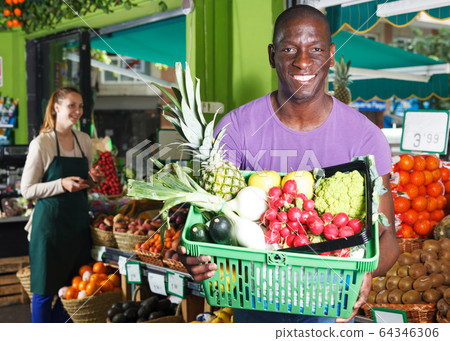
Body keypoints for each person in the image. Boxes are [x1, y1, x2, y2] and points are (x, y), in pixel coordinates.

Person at [178, 4, 399, 323]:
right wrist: (195, 255)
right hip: (253, 307)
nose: (303, 61)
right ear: (272, 55)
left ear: (332, 54)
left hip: (330, 311)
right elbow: (204, 222)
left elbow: (388, 239)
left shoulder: (365, 137)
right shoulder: (236, 128)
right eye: (289, 48)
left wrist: (366, 271)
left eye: (316, 48)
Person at [21, 87, 102, 323]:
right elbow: (26, 190)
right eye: (72, 105)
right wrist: (60, 184)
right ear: (57, 108)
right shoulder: (41, 144)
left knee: (75, 290)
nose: (77, 111)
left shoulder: (84, 140)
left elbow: (85, 183)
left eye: (80, 106)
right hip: (48, 228)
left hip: (77, 226)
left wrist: (93, 181)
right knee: (44, 292)